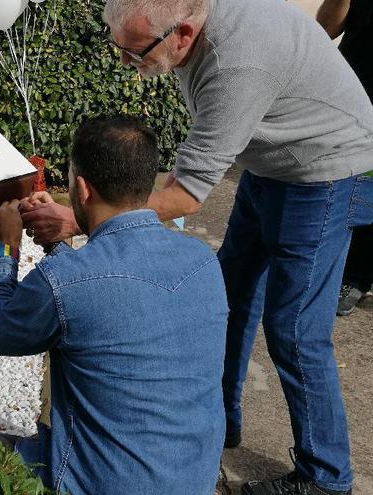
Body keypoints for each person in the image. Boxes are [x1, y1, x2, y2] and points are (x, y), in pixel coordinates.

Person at [20, 0, 373, 493]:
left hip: (326, 171)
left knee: (294, 330)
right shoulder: (199, 21)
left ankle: (326, 477)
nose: (124, 62)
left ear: (182, 33)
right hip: (272, 161)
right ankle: (222, 421)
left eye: (134, 51)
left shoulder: (237, 64)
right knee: (231, 294)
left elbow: (187, 192)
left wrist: (75, 221)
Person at [0, 115, 227, 494]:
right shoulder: (203, 261)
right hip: (192, 480)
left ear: (81, 188)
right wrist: (55, 244)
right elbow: (102, 289)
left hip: (100, 484)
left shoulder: (65, 282)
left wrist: (6, 246)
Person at [317, 0, 373, 317]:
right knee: (345, 185)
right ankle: (345, 270)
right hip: (352, 94)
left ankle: (356, 276)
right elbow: (327, 27)